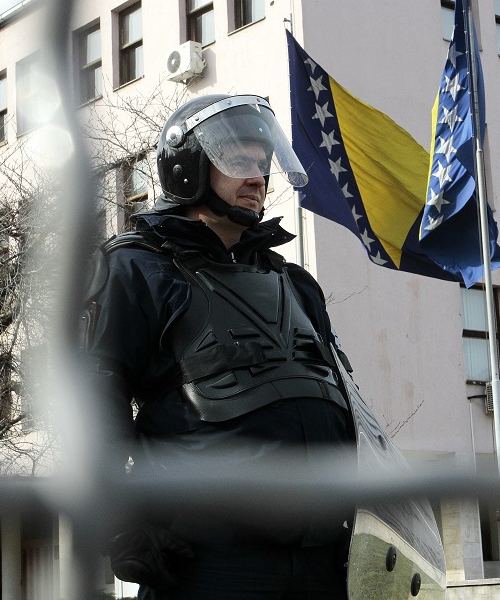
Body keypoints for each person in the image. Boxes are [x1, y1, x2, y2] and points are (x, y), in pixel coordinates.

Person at [84, 94, 356, 599]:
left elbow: (346, 403)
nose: (257, 176)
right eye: (237, 160)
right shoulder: (137, 269)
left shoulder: (295, 284)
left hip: (322, 561)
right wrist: (118, 518)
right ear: (187, 168)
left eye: (261, 161)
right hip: (210, 561)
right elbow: (96, 398)